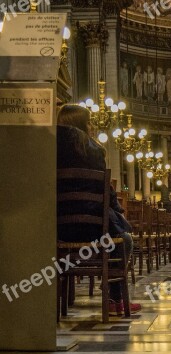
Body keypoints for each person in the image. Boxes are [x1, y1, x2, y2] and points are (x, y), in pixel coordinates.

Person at [57, 104, 141, 316]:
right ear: (81, 124)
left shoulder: (47, 146)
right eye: (89, 122)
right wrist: (117, 209)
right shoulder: (94, 151)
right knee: (125, 239)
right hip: (94, 231)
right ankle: (114, 299)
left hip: (56, 230)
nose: (93, 126)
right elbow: (107, 193)